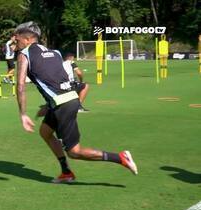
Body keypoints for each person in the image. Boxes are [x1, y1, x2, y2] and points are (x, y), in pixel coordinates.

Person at [14, 22, 138, 183]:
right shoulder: (55, 53)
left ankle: (120, 157)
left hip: (63, 105)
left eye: (17, 40)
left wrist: (23, 114)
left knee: (75, 151)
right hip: (67, 99)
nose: (15, 44)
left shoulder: (24, 54)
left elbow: (21, 85)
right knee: (45, 131)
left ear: (28, 39)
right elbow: (56, 80)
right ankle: (66, 172)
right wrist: (48, 105)